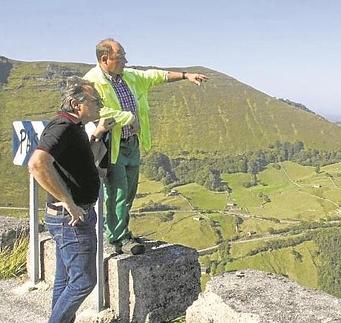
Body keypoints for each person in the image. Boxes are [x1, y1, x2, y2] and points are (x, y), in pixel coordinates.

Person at [83, 38, 208, 255]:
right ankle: (117, 237)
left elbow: (155, 75)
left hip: (132, 143)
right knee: (117, 191)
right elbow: (92, 112)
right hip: (112, 146)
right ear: (105, 59)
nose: (125, 60)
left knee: (129, 191)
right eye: (120, 57)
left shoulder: (128, 76)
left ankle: (119, 230)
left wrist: (186, 75)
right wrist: (128, 117)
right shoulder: (91, 82)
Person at [28, 77, 115, 323]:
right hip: (72, 219)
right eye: (95, 100)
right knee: (84, 281)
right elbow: (37, 163)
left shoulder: (72, 126)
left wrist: (97, 134)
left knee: (65, 279)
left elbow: (69, 161)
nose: (99, 104)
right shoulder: (62, 127)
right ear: (77, 104)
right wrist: (68, 201)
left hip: (68, 217)